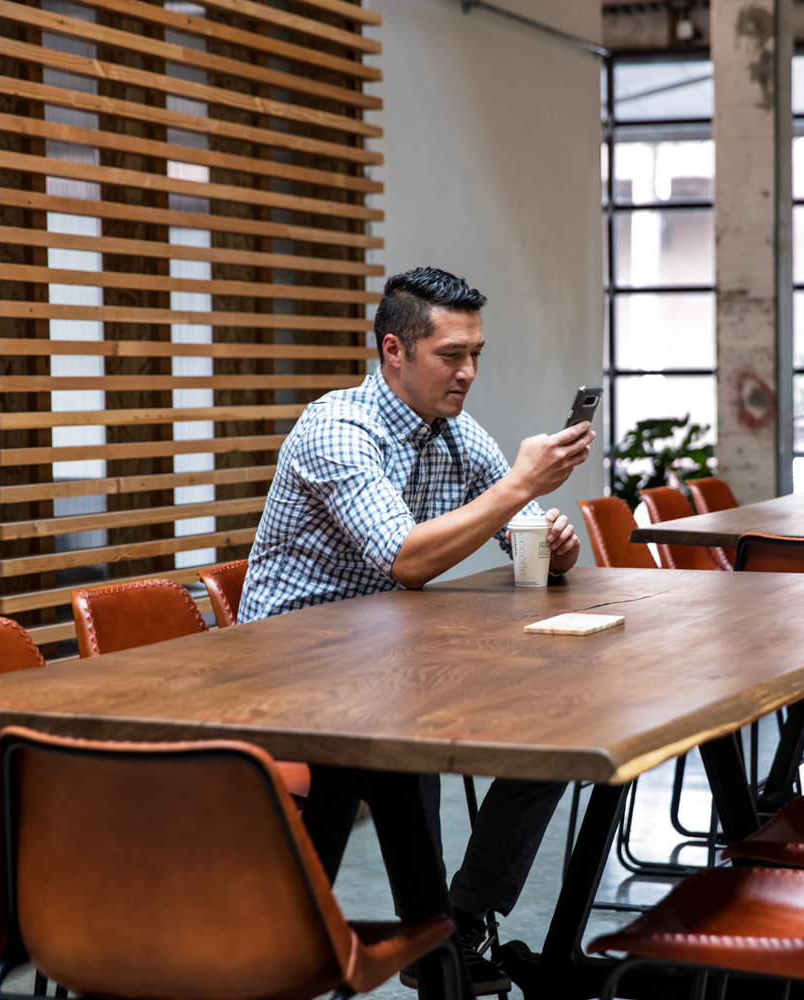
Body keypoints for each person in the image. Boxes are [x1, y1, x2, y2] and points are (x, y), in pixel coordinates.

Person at [238, 266, 596, 993]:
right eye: (451, 355)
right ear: (394, 351)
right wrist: (519, 486)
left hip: (389, 657)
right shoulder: (338, 428)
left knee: (567, 723)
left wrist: (552, 544)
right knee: (409, 731)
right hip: (288, 668)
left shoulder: (455, 433)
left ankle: (459, 916)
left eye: (476, 355)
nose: (468, 373)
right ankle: (432, 942)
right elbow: (404, 559)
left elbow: (520, 534)